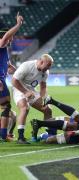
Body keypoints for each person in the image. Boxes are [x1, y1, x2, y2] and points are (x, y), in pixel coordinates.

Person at [11, 54, 53, 144]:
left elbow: (43, 86)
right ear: (41, 62)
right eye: (47, 65)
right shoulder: (27, 66)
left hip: (31, 90)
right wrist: (25, 92)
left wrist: (43, 98)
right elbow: (14, 81)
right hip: (19, 88)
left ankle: (48, 135)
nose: (48, 68)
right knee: (25, 107)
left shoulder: (45, 72)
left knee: (47, 109)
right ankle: (21, 137)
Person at [0, 12, 23, 141]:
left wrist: (20, 73)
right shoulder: (0, 43)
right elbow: (6, 37)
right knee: (6, 106)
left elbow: (9, 68)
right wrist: (18, 24)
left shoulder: (4, 50)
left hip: (2, 78)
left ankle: (5, 134)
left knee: (9, 111)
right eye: (11, 37)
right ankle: (3, 136)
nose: (12, 39)